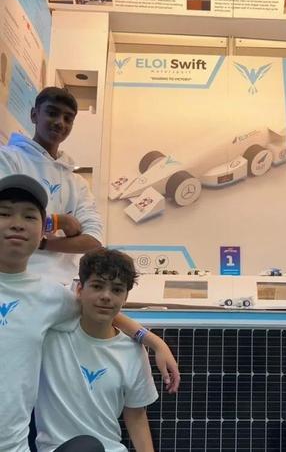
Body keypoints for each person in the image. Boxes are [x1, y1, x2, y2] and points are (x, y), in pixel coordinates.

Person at [0, 174, 179, 452]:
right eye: (4, 213)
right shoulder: (58, 321)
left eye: (29, 216)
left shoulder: (51, 298)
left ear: (43, 229)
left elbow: (99, 310)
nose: (17, 224)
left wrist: (153, 341)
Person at [36, 248, 158, 451]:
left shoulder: (133, 351)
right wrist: (154, 340)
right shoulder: (50, 334)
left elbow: (136, 415)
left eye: (117, 290)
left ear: (125, 297)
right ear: (79, 290)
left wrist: (153, 342)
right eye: (97, 286)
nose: (106, 296)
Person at [0, 86, 103, 286]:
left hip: (62, 286)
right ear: (34, 115)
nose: (60, 122)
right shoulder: (8, 159)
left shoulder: (77, 183)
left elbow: (93, 240)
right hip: (11, 283)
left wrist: (44, 242)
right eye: (52, 113)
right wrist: (59, 222)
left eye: (68, 118)